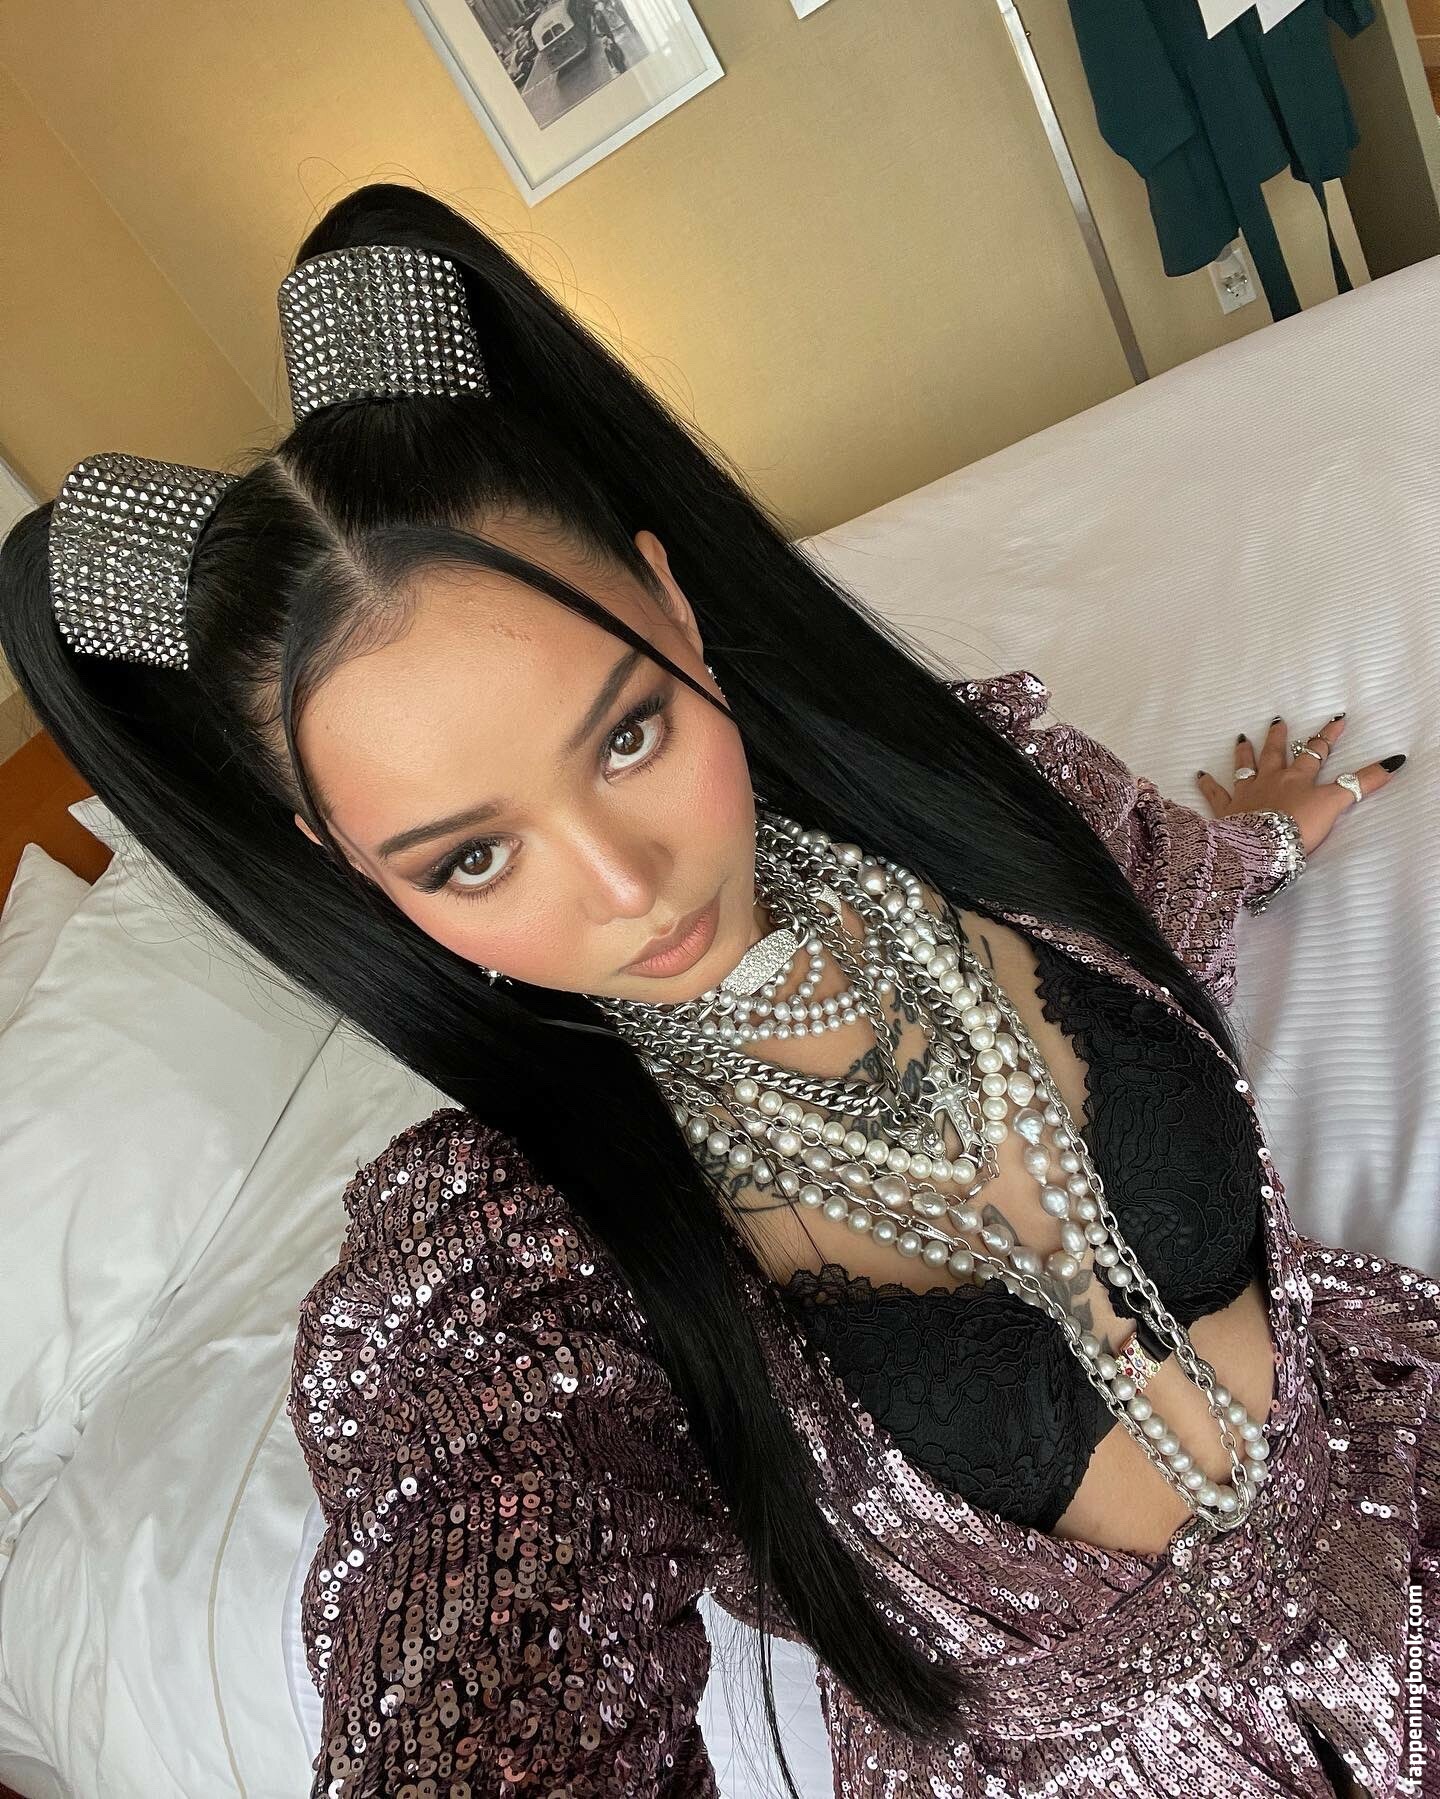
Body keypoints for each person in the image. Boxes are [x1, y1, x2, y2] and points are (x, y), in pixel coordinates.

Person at [0, 182, 1432, 1799]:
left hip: (1391, 1479)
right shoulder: (521, 1249)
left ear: (674, 604)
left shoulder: (974, 791)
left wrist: (1261, 838)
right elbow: (482, 1617)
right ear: (350, 868)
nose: (628, 886)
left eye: (628, 735)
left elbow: (1143, 886)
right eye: (472, 857)